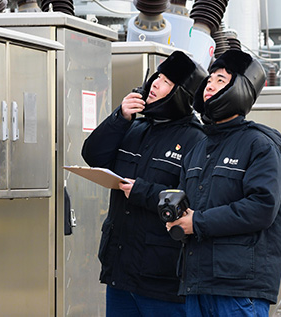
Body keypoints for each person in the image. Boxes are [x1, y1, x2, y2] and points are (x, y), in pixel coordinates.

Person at [82, 50, 207, 316]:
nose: (155, 84)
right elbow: (94, 156)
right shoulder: (135, 127)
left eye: (166, 82)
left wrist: (143, 192)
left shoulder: (195, 140)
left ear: (180, 94)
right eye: (157, 76)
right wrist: (120, 117)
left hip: (162, 278)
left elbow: (193, 200)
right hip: (120, 270)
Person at [166, 49, 281, 317]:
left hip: (239, 288)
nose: (210, 84)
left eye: (221, 80)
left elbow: (262, 207)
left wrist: (196, 222)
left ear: (241, 89)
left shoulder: (260, 145)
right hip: (197, 283)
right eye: (209, 79)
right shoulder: (199, 148)